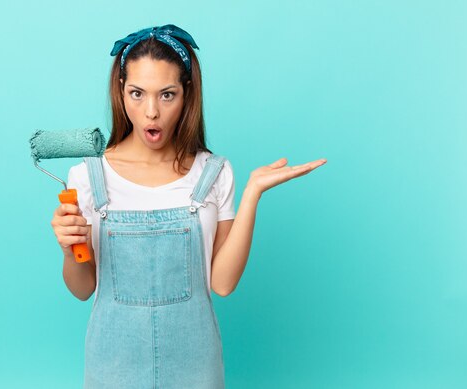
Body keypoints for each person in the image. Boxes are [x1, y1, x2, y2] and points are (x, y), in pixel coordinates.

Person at [50, 24, 326, 389]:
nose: (151, 112)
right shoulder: (86, 177)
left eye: (167, 95)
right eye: (137, 93)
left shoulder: (213, 174)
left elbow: (223, 283)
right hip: (112, 366)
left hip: (195, 368)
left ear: (187, 93)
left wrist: (252, 193)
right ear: (120, 91)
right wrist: (71, 250)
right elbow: (83, 289)